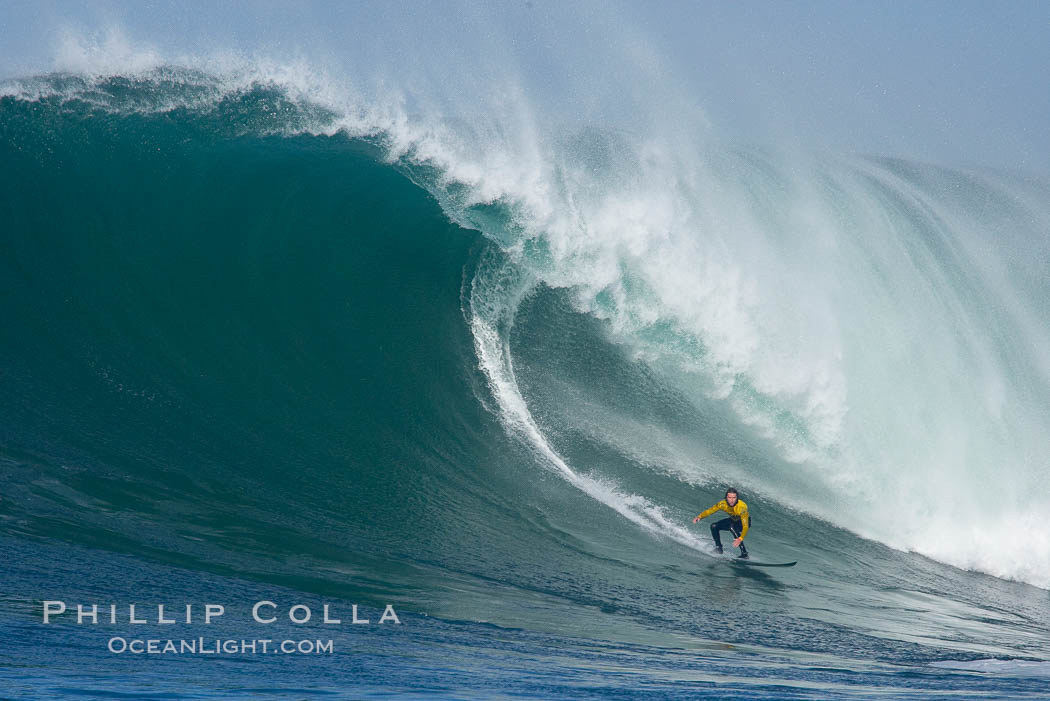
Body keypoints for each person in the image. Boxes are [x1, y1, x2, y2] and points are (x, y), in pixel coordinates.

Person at [692, 488, 750, 559]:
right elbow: (710, 510)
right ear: (726, 497)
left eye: (734, 498)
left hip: (743, 522)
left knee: (732, 527)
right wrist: (700, 517)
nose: (731, 500)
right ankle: (719, 548)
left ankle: (744, 553)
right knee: (714, 526)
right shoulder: (722, 504)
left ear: (737, 498)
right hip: (732, 520)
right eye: (729, 497)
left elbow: (745, 526)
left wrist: (740, 538)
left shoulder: (742, 507)